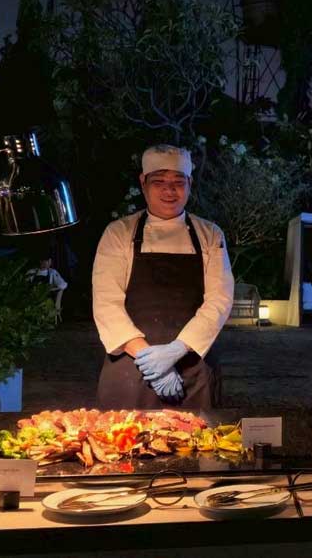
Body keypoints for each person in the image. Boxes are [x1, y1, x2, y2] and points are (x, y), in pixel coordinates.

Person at [92, 144, 234, 409]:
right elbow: (106, 304)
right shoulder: (119, 232)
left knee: (198, 436)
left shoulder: (210, 234)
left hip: (192, 365)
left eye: (178, 182)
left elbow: (220, 300)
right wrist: (149, 359)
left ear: (190, 184)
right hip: (132, 365)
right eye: (159, 182)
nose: (169, 190)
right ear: (143, 183)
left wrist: (176, 349)